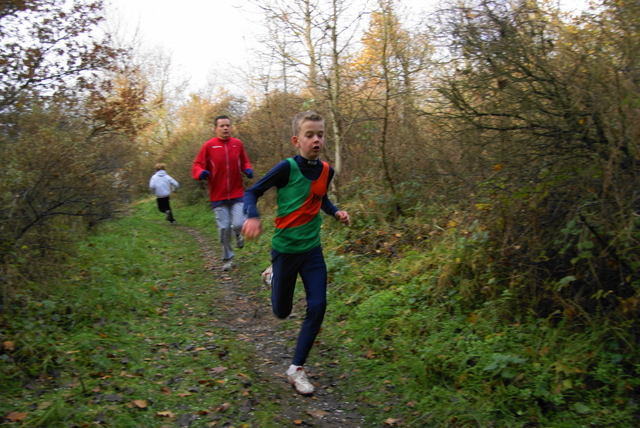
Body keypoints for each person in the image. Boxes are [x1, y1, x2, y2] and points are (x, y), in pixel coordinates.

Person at [242, 111, 350, 395]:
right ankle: (274, 273)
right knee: (282, 311)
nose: (317, 140)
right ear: (296, 140)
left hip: (312, 250)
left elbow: (320, 196)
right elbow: (251, 192)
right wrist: (252, 216)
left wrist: (335, 211)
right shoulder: (286, 168)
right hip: (285, 250)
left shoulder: (327, 170)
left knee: (318, 305)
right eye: (310, 135)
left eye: (321, 134)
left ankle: (296, 369)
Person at [192, 115, 254, 271]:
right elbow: (197, 165)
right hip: (217, 195)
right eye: (222, 126)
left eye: (228, 125)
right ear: (215, 129)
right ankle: (228, 259)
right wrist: (201, 173)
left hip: (237, 191)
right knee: (224, 228)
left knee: (239, 223)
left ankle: (238, 233)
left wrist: (247, 169)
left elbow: (244, 161)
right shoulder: (209, 146)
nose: (226, 128)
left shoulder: (237, 144)